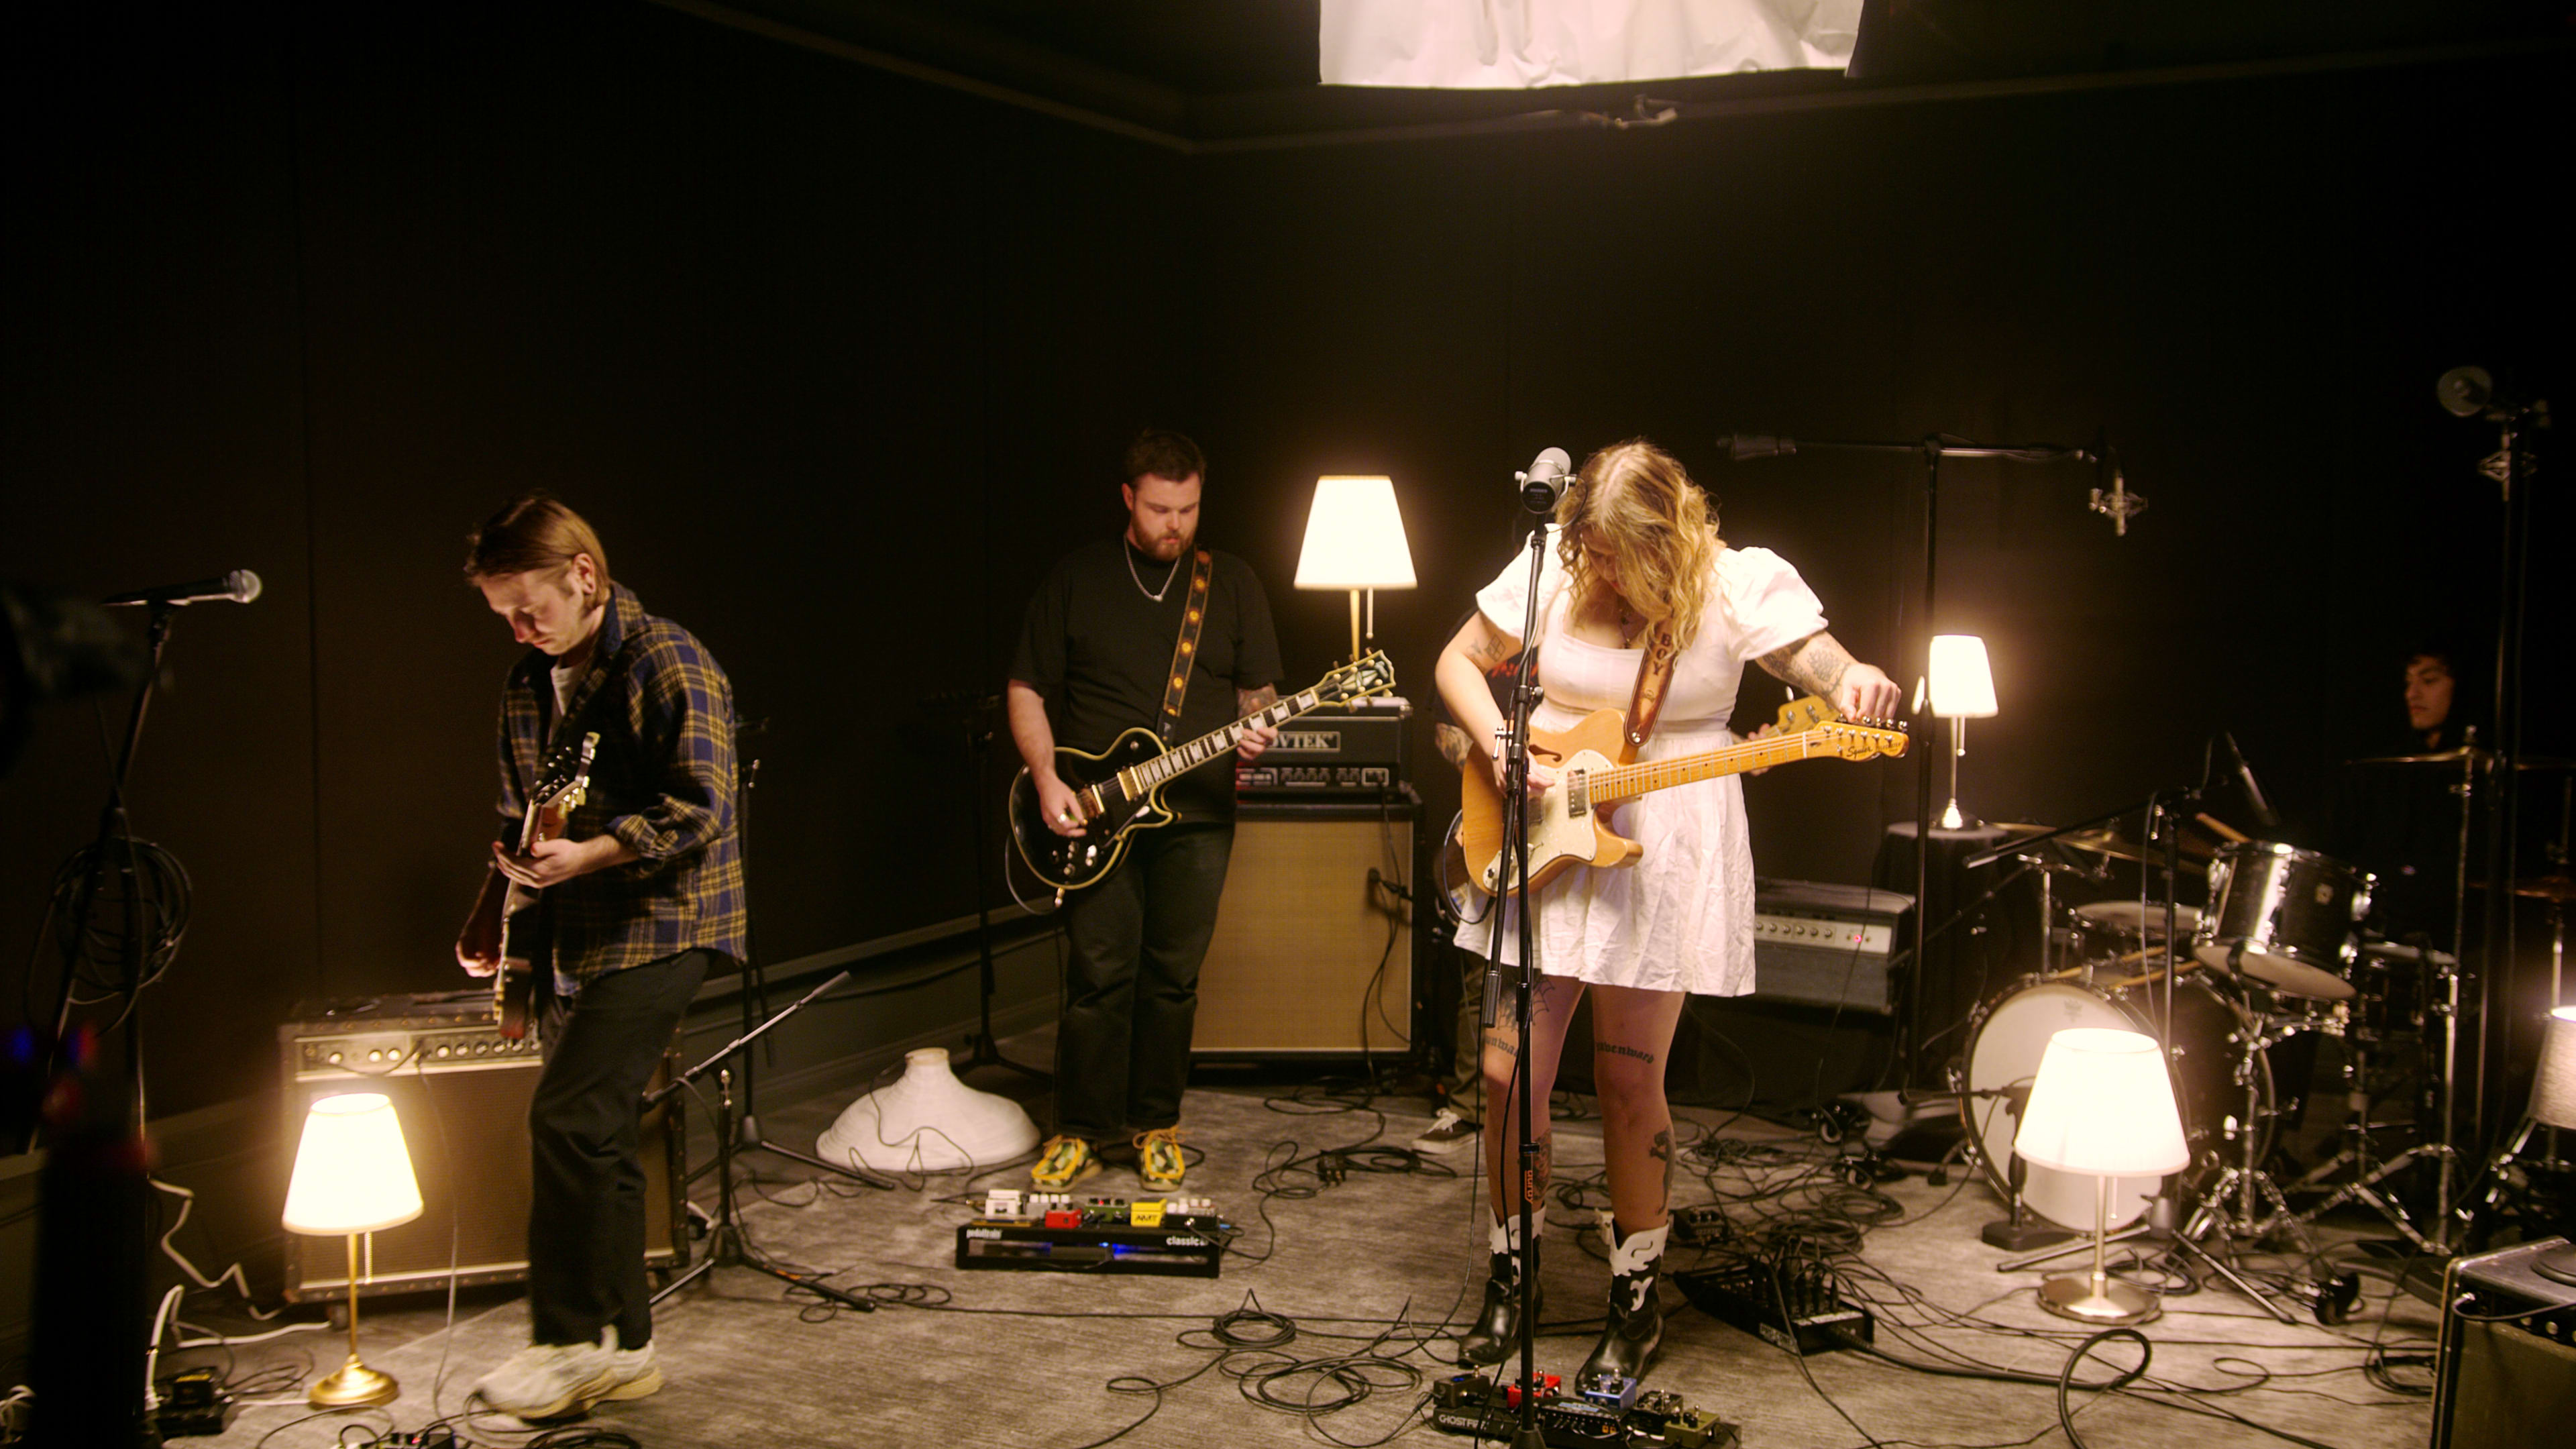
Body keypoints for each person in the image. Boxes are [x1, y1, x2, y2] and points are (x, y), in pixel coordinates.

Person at [1435, 439, 1900, 1385]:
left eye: (1615, 556)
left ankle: (1634, 1301)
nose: (1598, 572)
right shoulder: (1552, 571)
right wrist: (1503, 744)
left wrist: (1850, 679)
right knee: (1503, 1074)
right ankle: (1508, 1277)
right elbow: (1458, 659)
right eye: (1589, 552)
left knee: (1626, 1083)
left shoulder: (1738, 585)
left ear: (1665, 538)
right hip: (1543, 817)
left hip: (1671, 836)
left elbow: (1816, 660)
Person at [453, 496, 743, 1420]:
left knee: (569, 1121)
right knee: (603, 1135)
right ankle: (625, 1348)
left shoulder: (667, 658)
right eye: (502, 612)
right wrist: (490, 914)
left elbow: (702, 804)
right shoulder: (524, 683)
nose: (517, 627)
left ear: (584, 575)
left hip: (669, 921)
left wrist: (592, 852)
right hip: (574, 937)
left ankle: (566, 1341)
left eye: (528, 605)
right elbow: (521, 819)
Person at [1007, 429, 1282, 1191]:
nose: (1177, 525)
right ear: (1128, 498)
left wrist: (1259, 732)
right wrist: (1045, 777)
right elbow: (1026, 687)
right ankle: (1081, 1129)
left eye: (1189, 509)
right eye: (1161, 509)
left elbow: (1257, 696)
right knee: (1099, 975)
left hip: (1196, 815)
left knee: (1173, 978)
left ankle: (1155, 1123)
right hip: (1096, 812)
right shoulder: (1079, 579)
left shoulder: (1229, 584)